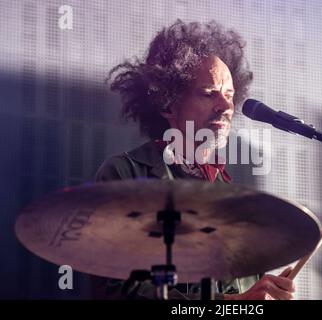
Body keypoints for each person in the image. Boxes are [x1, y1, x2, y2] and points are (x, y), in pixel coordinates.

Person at [93, 20, 295, 300]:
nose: (226, 107)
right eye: (209, 93)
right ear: (168, 103)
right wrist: (229, 304)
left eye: (229, 95)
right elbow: (118, 292)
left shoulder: (239, 202)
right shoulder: (124, 173)